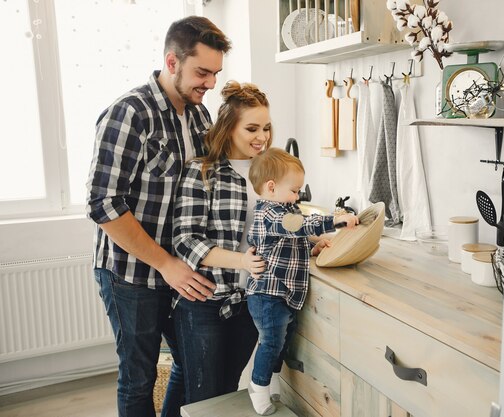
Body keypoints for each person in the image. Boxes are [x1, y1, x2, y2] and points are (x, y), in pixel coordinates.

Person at [86, 16, 231, 417]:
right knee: (139, 377)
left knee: (189, 363)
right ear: (172, 61)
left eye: (216, 73)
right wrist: (167, 265)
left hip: (179, 270)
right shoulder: (129, 113)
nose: (211, 83)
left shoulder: (200, 116)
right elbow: (103, 205)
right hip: (131, 273)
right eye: (202, 72)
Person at [172, 80, 271, 405]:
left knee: (227, 392)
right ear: (229, 129)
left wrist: (313, 241)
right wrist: (241, 261)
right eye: (252, 128)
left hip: (249, 303)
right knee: (204, 398)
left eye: (267, 128)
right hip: (205, 303)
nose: (262, 137)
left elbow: (279, 225)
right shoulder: (202, 172)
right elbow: (186, 241)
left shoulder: (269, 173)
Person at [245, 148, 359, 415]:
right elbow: (298, 225)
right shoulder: (269, 214)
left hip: (283, 295)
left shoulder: (284, 208)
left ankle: (269, 381)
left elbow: (288, 245)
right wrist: (336, 220)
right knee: (271, 342)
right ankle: (258, 386)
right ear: (271, 187)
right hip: (268, 295)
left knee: (282, 340)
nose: (298, 196)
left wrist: (312, 248)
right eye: (294, 190)